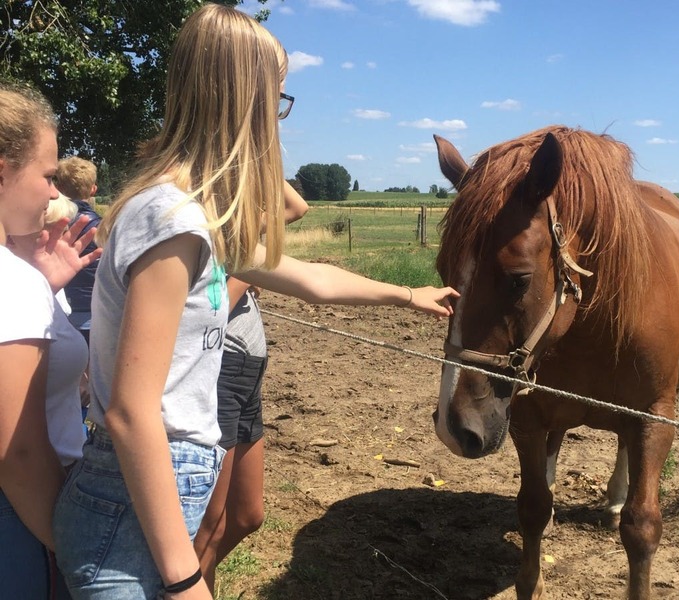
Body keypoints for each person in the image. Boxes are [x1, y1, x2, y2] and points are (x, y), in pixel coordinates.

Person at [52, 5, 458, 600]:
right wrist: (185, 576)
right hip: (132, 506)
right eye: (278, 99)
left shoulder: (196, 219)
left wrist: (405, 294)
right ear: (244, 99)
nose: (279, 118)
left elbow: (307, 277)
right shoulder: (175, 222)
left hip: (145, 496)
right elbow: (133, 413)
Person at [0, 83, 101, 599]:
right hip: (24, 518)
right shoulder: (9, 283)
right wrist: (73, 546)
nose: (54, 194)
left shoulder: (21, 279)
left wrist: (43, 286)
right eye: (47, 175)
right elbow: (16, 453)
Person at [194, 182, 308, 590]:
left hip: (248, 370)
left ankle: (182, 581)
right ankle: (187, 585)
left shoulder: (236, 234)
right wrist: (242, 277)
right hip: (223, 368)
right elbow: (210, 310)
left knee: (247, 515)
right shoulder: (200, 232)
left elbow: (297, 206)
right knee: (209, 524)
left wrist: (261, 154)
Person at [55, 156, 102, 343]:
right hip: (95, 311)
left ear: (59, 188)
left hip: (58, 312)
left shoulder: (50, 223)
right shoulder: (105, 227)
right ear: (93, 189)